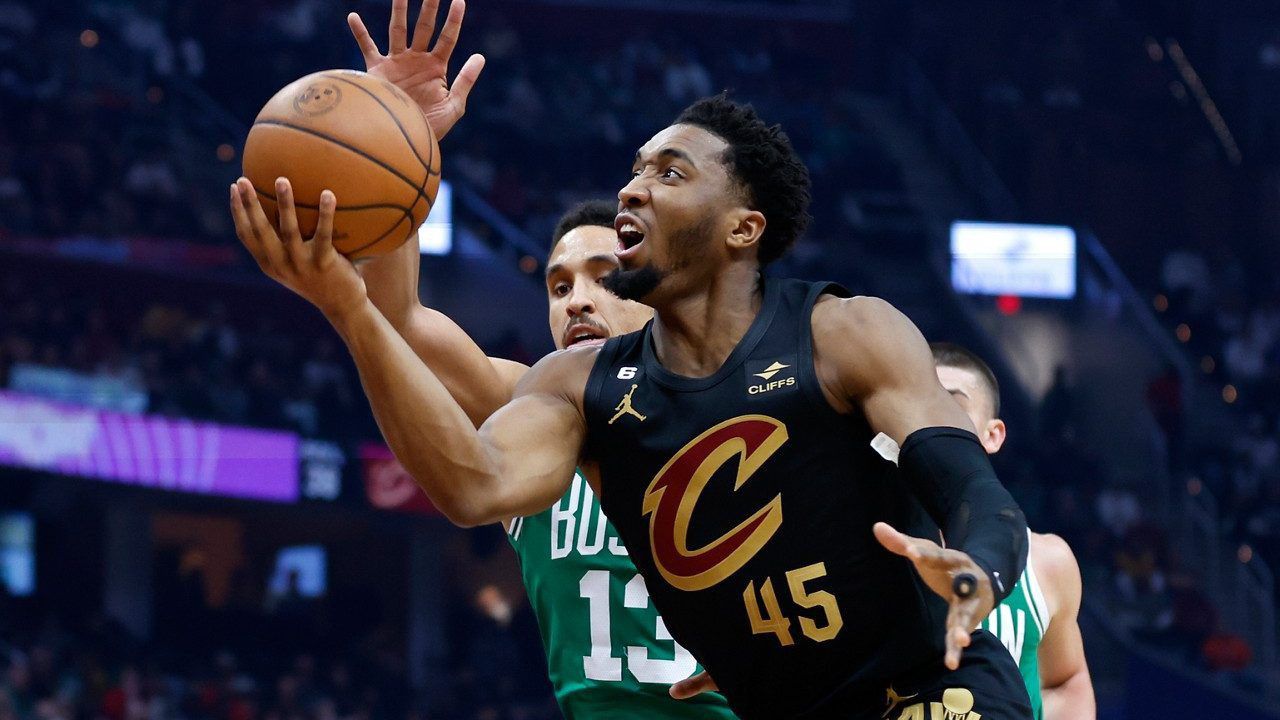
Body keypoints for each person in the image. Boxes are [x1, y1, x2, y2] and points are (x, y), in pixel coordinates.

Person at [230, 68, 1030, 718]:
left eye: (669, 172)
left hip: (929, 690)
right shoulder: (577, 389)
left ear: (742, 228)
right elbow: (473, 485)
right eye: (636, 169)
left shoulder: (843, 332)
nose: (633, 190)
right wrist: (348, 308)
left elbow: (974, 491)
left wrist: (976, 573)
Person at [353, 2, 739, 716]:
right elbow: (399, 317)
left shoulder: (755, 408)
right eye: (559, 286)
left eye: (604, 276)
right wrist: (401, 141)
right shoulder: (527, 403)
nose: (576, 301)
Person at [931, 343, 1095, 720]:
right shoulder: (853, 547)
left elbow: (1066, 682)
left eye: (952, 406)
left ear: (993, 435)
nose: (931, 421)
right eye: (918, 407)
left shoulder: (1046, 561)